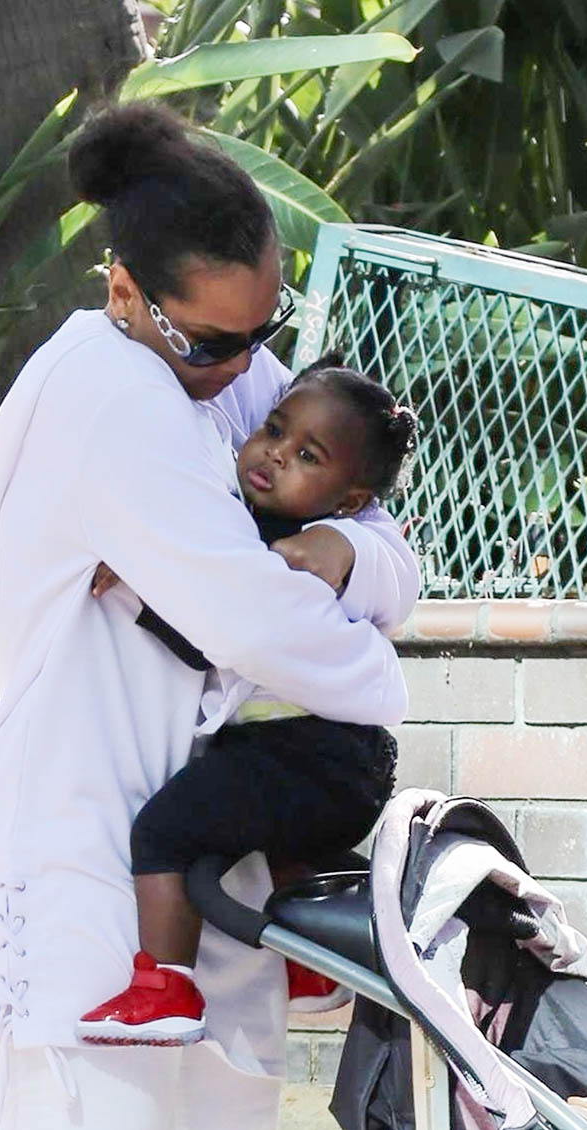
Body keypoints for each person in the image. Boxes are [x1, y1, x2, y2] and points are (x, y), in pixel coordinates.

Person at [0, 100, 419, 1130]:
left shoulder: (221, 377)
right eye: (216, 340)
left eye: (267, 331)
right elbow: (252, 622)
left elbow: (381, 527)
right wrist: (382, 678)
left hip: (214, 875)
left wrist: (340, 550)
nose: (251, 371)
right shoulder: (113, 394)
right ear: (123, 290)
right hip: (82, 868)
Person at [76, 362, 419, 1046]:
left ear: (350, 502)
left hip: (314, 750)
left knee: (165, 834)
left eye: (306, 457)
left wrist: (138, 581)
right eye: (274, 429)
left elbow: (215, 638)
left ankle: (165, 986)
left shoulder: (296, 552)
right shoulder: (263, 525)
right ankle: (314, 970)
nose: (274, 455)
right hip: (340, 756)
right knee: (276, 843)